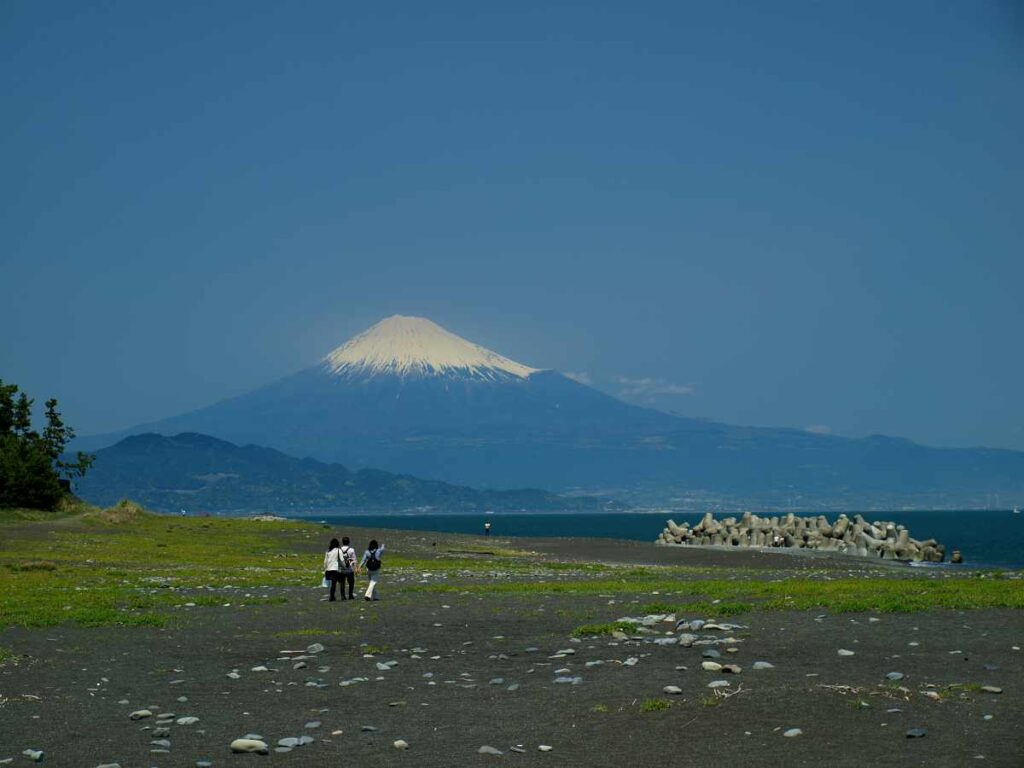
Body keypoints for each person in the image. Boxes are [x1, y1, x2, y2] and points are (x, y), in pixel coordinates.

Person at [322, 537, 344, 602]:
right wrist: (344, 567)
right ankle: (333, 596)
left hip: (328, 569)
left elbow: (325, 562)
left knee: (332, 583)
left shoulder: (328, 551)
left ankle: (332, 596)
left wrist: (325, 569)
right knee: (338, 582)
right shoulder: (338, 550)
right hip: (334, 569)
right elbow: (342, 560)